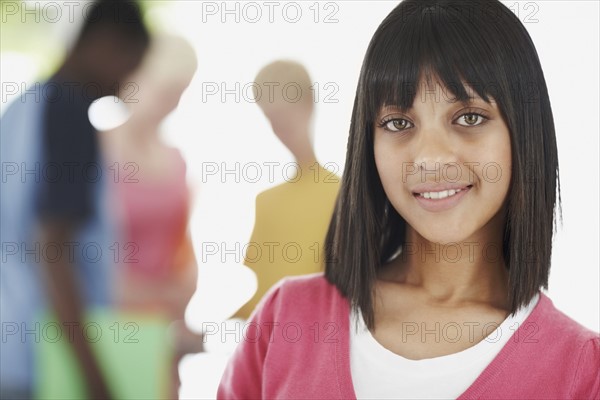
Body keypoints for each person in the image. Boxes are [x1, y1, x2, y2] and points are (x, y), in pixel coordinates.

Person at [217, 0, 600, 398]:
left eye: (469, 117)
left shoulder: (584, 371)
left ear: (524, 132)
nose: (430, 158)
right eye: (398, 123)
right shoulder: (284, 321)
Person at [0, 1, 149, 399]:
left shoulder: (22, 108)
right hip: (41, 364)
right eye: (127, 67)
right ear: (103, 44)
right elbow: (52, 248)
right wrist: (95, 378)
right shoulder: (70, 110)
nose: (123, 88)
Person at [100, 34, 201, 398]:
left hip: (163, 331)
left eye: (180, 92)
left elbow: (183, 246)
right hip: (104, 328)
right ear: (137, 77)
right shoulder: (94, 152)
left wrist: (182, 296)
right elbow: (78, 253)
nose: (171, 103)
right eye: (166, 89)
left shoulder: (176, 160)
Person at [231, 60, 340, 320]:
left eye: (287, 112)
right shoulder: (267, 202)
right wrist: (214, 329)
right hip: (270, 347)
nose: (280, 127)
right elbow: (264, 300)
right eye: (272, 117)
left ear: (310, 104)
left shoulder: (345, 195)